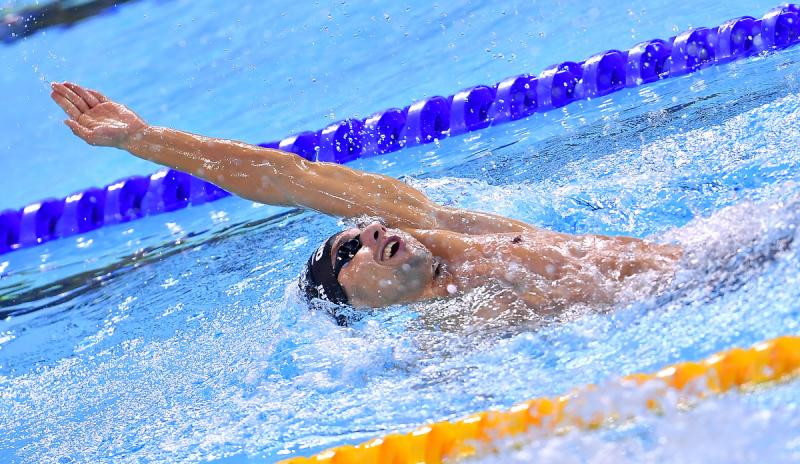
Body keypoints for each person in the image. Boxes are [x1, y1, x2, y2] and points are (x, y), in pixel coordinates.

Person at [50, 81, 681, 324]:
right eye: (350, 251)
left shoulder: (447, 231)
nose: (370, 232)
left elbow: (284, 174)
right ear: (357, 302)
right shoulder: (446, 343)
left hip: (707, 256)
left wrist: (143, 140)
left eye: (359, 229)